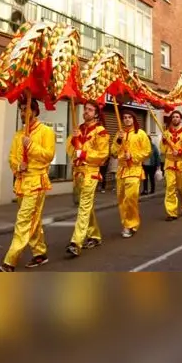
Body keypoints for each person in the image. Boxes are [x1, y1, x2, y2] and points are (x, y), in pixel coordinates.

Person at [0, 98, 55, 271]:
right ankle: (40, 253)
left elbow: (49, 155)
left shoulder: (46, 131)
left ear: (35, 111)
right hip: (22, 182)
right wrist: (17, 167)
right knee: (32, 220)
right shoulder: (18, 135)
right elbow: (11, 158)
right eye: (21, 110)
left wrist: (31, 146)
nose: (23, 113)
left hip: (37, 181)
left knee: (23, 220)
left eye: (26, 109)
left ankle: (10, 261)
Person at [66, 101, 110, 258]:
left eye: (90, 110)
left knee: (84, 207)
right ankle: (95, 235)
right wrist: (73, 140)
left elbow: (103, 154)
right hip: (77, 173)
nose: (86, 112)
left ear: (96, 114)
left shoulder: (101, 132)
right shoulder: (79, 129)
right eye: (85, 109)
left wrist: (84, 155)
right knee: (86, 206)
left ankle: (76, 242)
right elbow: (69, 150)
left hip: (90, 173)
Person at [110, 111, 152, 238]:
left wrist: (133, 156)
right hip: (121, 171)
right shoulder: (119, 133)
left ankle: (131, 224)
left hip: (134, 170)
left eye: (129, 117)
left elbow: (147, 151)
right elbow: (113, 152)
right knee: (122, 200)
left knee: (131, 198)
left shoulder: (140, 133)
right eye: (124, 117)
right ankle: (126, 223)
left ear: (133, 119)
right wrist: (118, 141)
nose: (127, 120)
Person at [161, 109, 182, 220]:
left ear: (181, 119)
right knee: (170, 187)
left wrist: (180, 152)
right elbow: (162, 149)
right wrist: (164, 142)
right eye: (173, 116)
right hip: (169, 163)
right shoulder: (166, 133)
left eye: (177, 116)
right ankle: (171, 212)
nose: (175, 118)